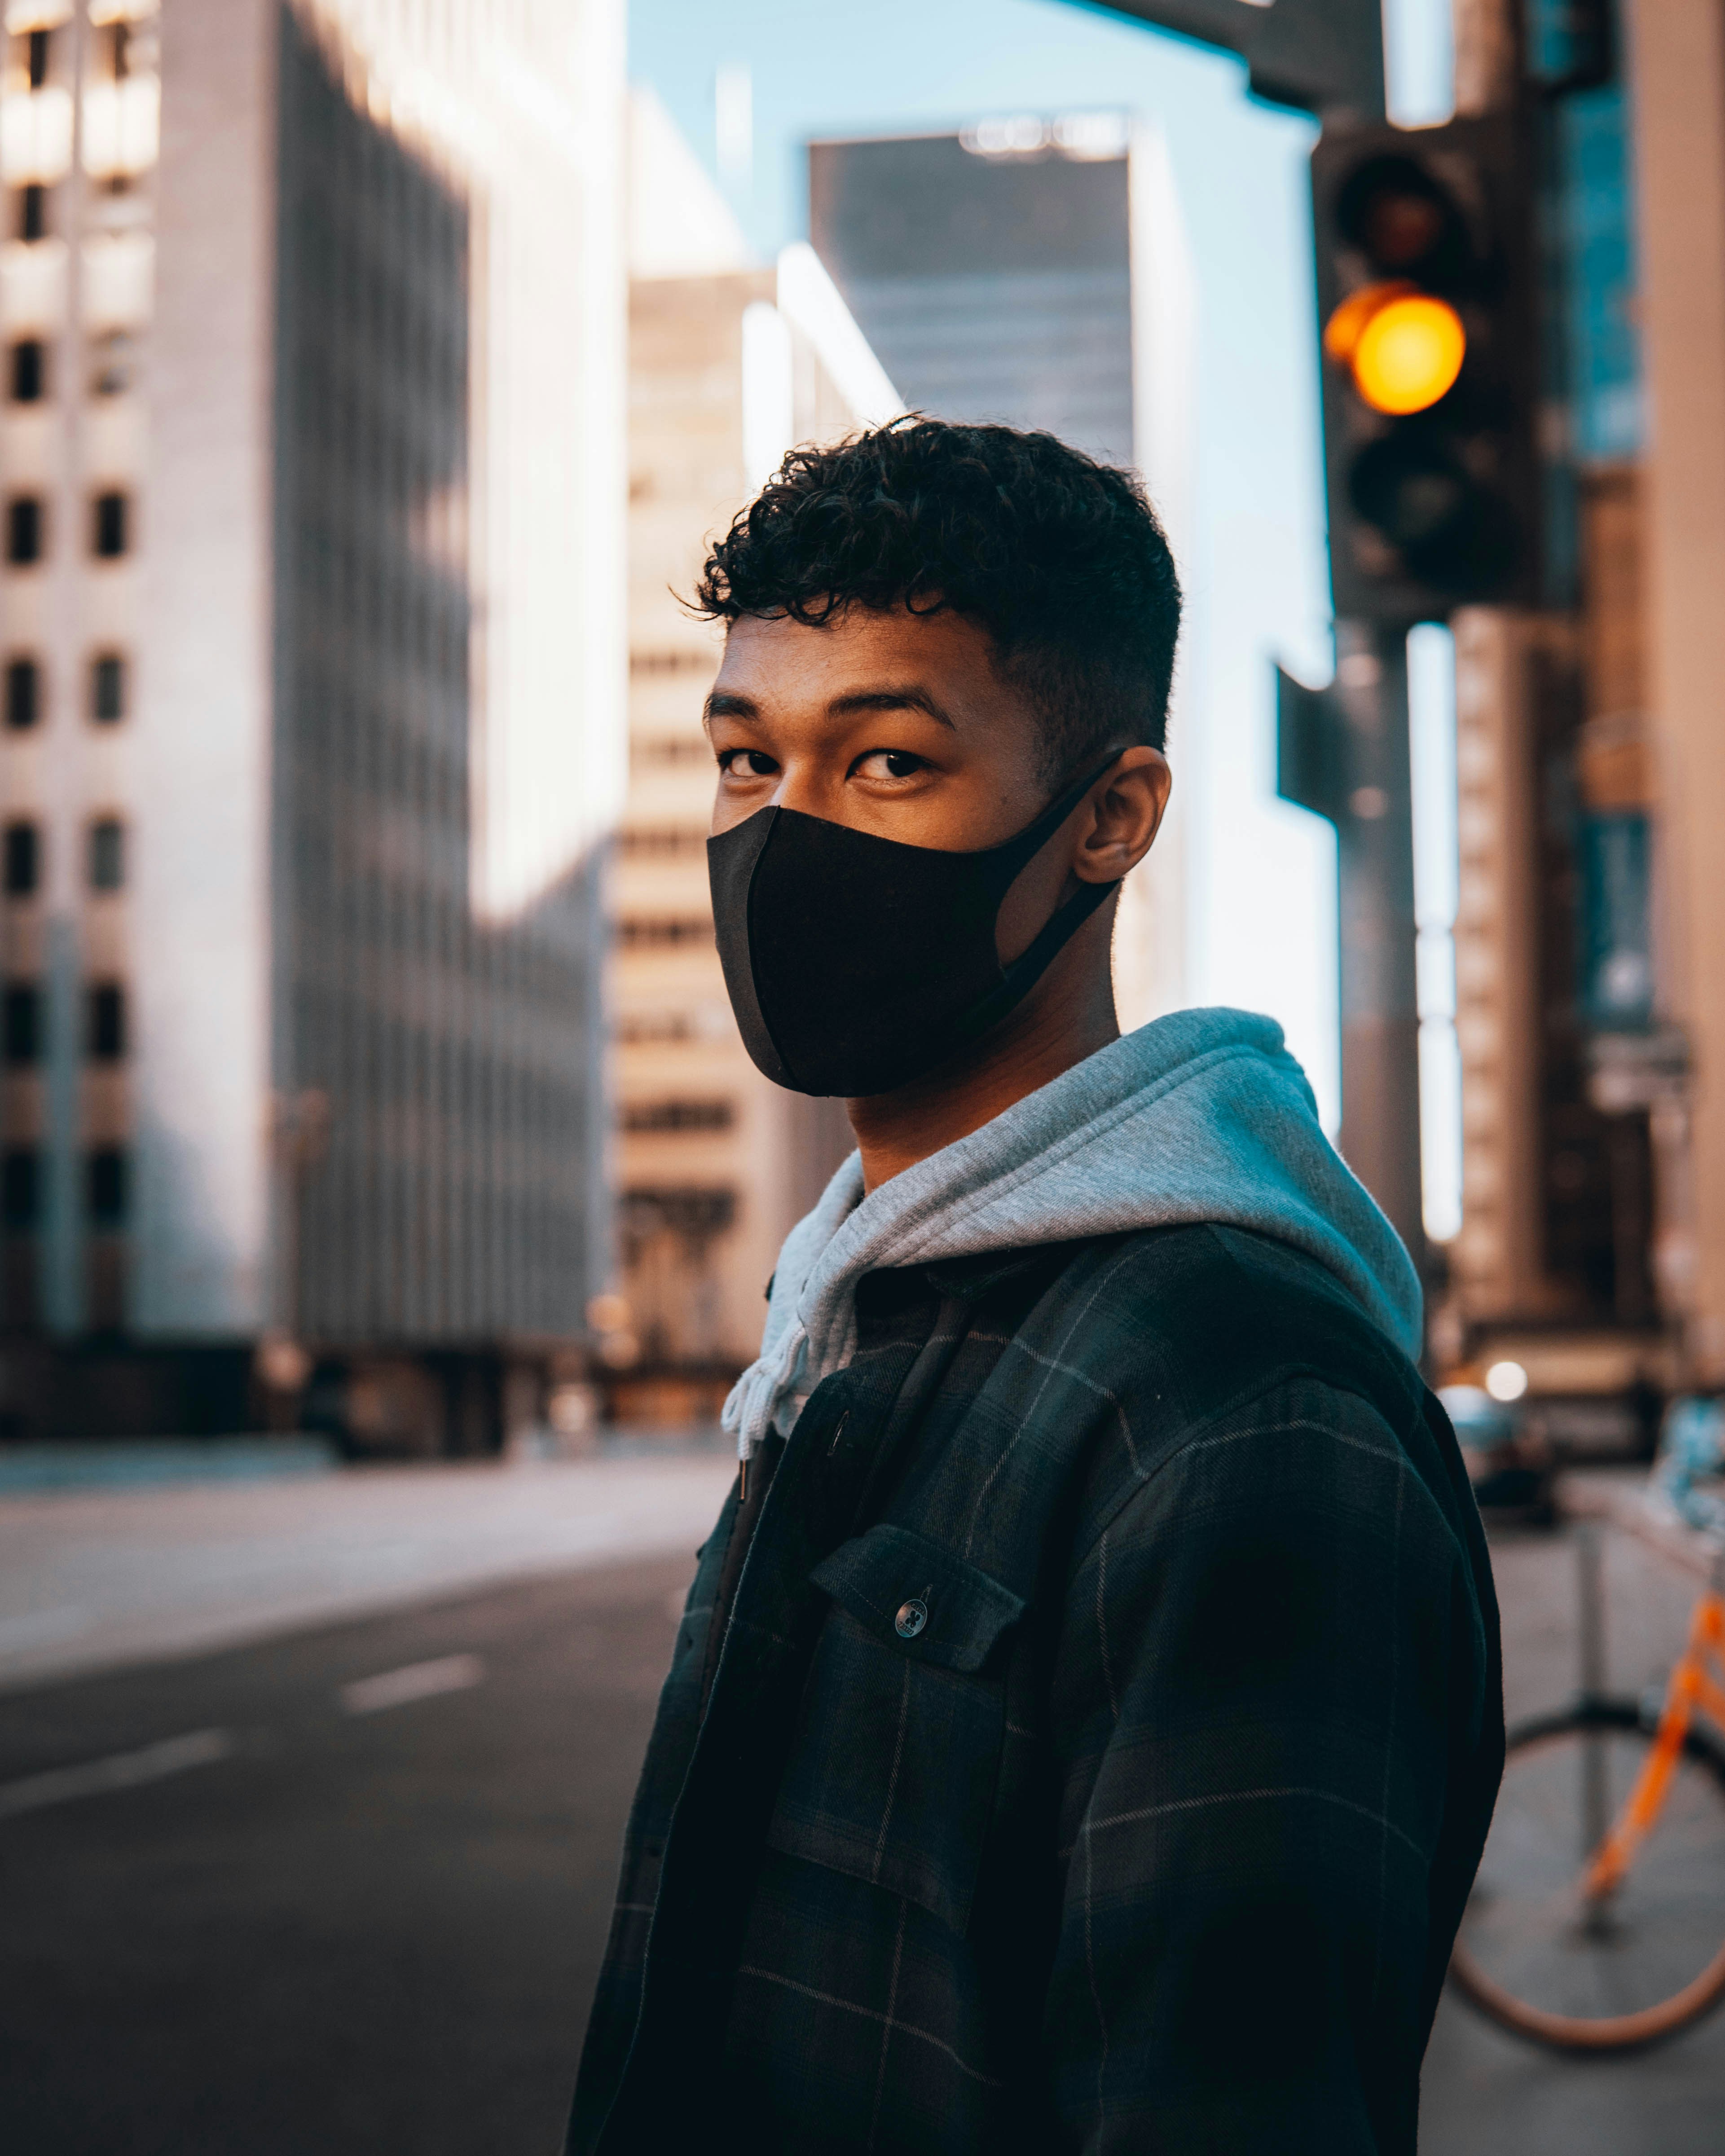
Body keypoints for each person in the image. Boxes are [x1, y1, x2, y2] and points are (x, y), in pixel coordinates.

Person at [568, 418, 1502, 2154]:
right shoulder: (857, 1316)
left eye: (889, 764)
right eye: (746, 761)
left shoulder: (1239, 1404)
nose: (786, 836)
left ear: (1110, 818)